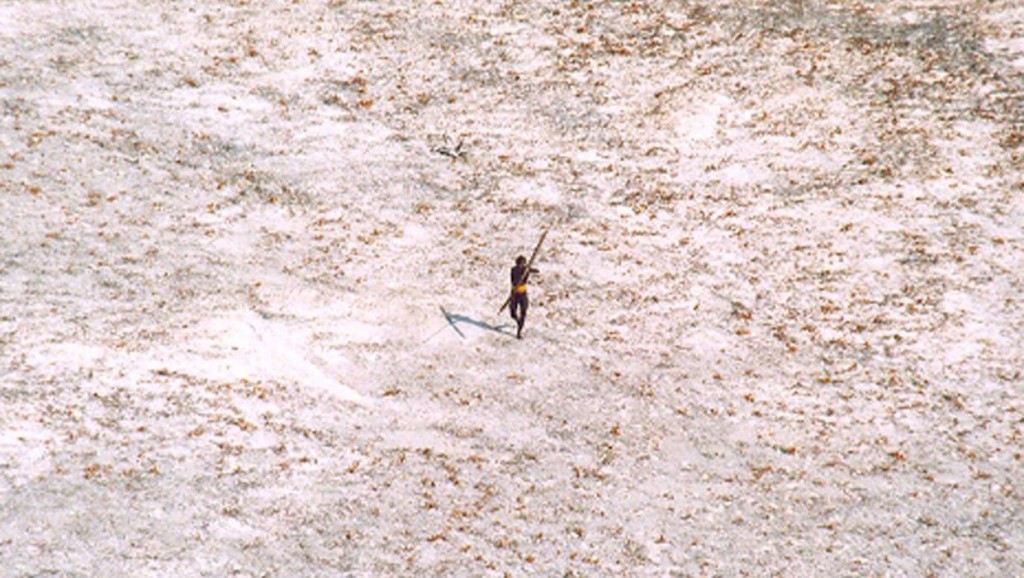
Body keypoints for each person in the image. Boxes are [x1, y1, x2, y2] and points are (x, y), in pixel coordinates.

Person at [509, 255, 538, 339]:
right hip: (514, 293)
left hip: (523, 294)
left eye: (523, 263)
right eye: (520, 263)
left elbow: (535, 271)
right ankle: (518, 322)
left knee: (523, 312)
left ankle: (519, 332)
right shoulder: (514, 270)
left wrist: (529, 270)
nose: (522, 265)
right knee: (512, 313)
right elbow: (514, 280)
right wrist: (524, 272)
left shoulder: (526, 269)